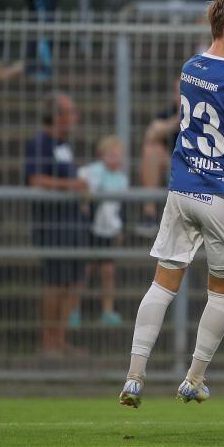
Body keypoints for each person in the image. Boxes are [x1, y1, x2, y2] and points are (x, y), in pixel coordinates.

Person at [119, 0, 224, 408]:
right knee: (221, 294)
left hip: (183, 188)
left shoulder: (192, 68)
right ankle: (195, 376)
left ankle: (135, 375)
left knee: (162, 282)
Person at [25, 93, 89, 357]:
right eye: (70, 112)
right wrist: (72, 186)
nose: (75, 118)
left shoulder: (63, 144)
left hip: (72, 222)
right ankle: (48, 342)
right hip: (52, 224)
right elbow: (35, 179)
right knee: (55, 282)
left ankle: (60, 339)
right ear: (56, 116)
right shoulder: (40, 143)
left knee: (72, 282)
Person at [80, 135, 129, 326]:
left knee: (108, 272)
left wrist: (120, 229)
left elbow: (121, 207)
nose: (115, 159)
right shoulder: (93, 172)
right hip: (92, 229)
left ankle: (107, 310)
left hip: (109, 231)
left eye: (118, 156)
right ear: (101, 155)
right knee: (85, 270)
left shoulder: (121, 179)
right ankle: (73, 308)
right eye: (111, 155)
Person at [136, 82, 182, 237]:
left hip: (201, 166)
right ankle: (149, 214)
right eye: (179, 91)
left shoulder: (206, 112)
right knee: (151, 150)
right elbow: (151, 135)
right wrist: (178, 119)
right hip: (172, 167)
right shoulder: (167, 115)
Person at [21, 0, 75, 80]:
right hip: (35, 31)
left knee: (48, 58)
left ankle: (46, 75)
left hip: (50, 32)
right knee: (33, 56)